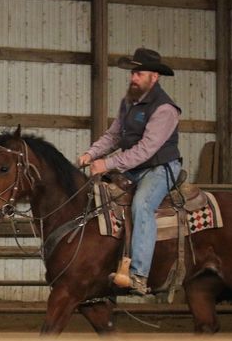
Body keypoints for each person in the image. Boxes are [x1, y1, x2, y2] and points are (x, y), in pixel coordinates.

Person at [77, 48, 182, 295]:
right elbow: (114, 136)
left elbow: (146, 149)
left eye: (139, 73)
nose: (133, 78)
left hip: (160, 167)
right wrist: (91, 153)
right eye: (133, 73)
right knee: (98, 195)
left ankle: (139, 275)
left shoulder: (165, 109)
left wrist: (107, 164)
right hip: (134, 167)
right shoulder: (128, 102)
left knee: (142, 205)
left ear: (154, 77)